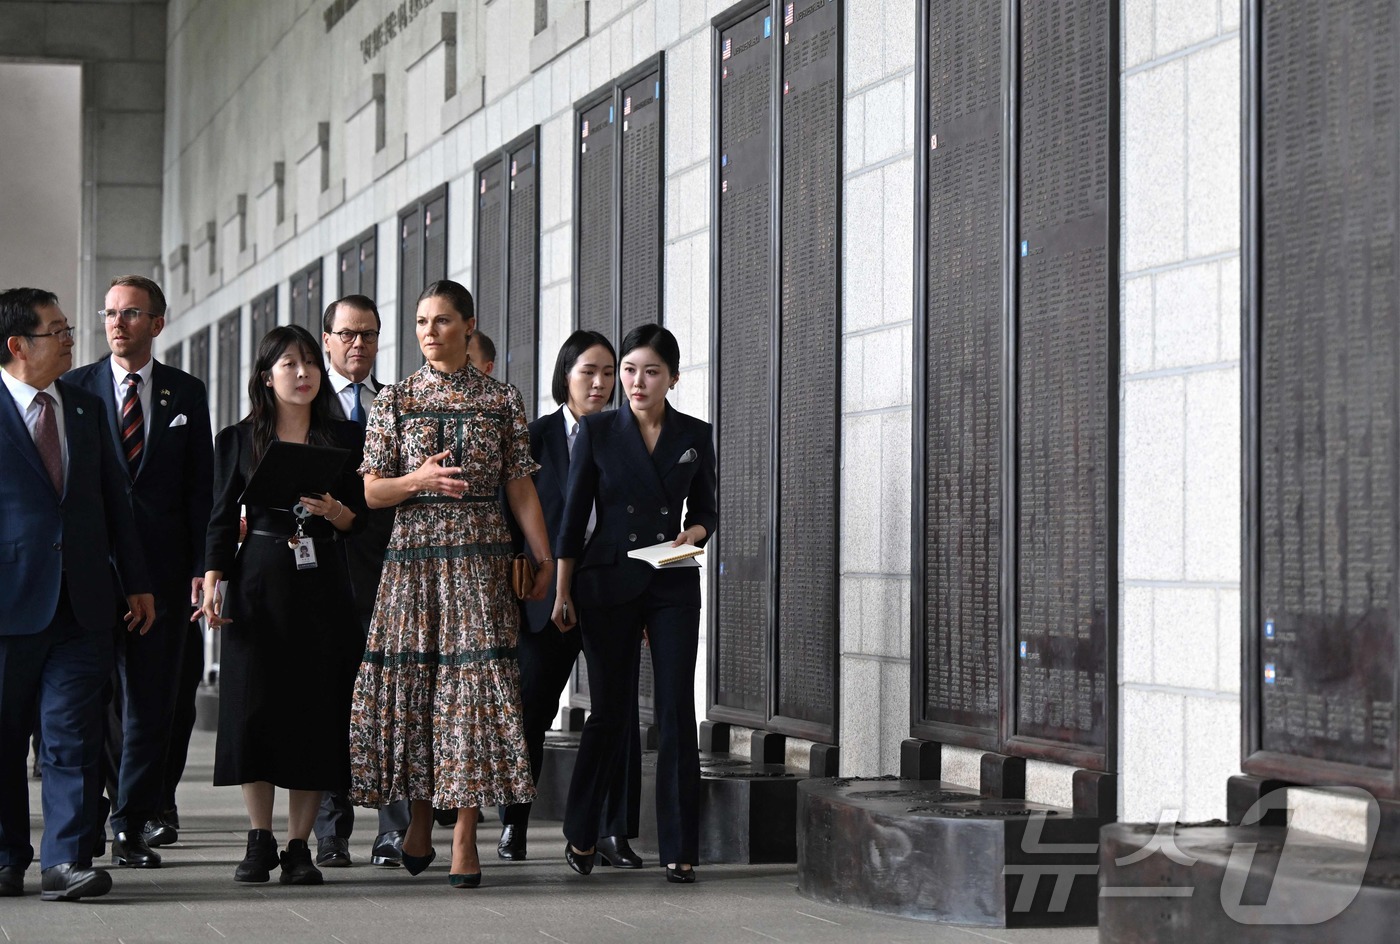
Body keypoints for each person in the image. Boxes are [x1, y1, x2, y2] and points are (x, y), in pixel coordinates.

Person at [348, 279, 553, 889]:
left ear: (468, 326)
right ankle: (417, 814)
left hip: (482, 563)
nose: (429, 334)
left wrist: (543, 558)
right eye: (419, 323)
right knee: (417, 685)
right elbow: (371, 490)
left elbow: (520, 485)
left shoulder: (501, 401)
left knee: (472, 691)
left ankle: (464, 831)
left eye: (440, 322)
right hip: (412, 563)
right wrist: (420, 481)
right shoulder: (396, 400)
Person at [194, 324, 367, 886]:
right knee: (254, 709)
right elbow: (220, 520)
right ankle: (259, 837)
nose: (302, 373)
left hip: (321, 588)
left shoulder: (344, 438)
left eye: (310, 363)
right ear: (266, 377)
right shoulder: (237, 439)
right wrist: (214, 579)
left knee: (315, 711)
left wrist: (336, 513)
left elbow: (361, 518)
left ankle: (299, 846)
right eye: (289, 364)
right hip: (257, 582)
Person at [0, 287, 155, 901]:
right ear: (17, 346)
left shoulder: (86, 407)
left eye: (68, 328)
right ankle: (7, 854)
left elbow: (115, 501)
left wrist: (136, 580)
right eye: (56, 331)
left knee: (72, 736)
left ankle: (63, 861)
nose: (70, 339)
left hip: (83, 600)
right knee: (5, 736)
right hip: (9, 601)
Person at [553, 323, 716, 885]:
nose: (635, 382)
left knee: (675, 711)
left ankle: (679, 847)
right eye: (629, 370)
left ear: (672, 378)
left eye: (650, 371)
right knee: (612, 712)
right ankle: (581, 828)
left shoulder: (695, 433)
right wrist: (561, 590)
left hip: (671, 577)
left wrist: (694, 532)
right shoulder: (598, 431)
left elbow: (707, 508)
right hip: (606, 578)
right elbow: (573, 521)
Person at [63, 275, 214, 869]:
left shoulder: (186, 393)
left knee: (153, 702)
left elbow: (200, 487)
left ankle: (132, 819)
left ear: (156, 322)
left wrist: (206, 566)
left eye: (130, 314)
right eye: (109, 313)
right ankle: (100, 808)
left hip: (167, 571)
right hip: (92, 572)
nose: (117, 324)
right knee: (91, 699)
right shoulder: (74, 388)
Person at [497, 331, 642, 866]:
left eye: (610, 372)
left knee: (617, 714)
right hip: (542, 603)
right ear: (565, 377)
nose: (603, 384)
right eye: (590, 372)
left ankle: (612, 832)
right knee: (530, 711)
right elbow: (510, 519)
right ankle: (515, 821)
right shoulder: (533, 440)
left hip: (611, 596)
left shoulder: (631, 439)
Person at [312, 294, 410, 869]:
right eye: (347, 334)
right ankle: (330, 828)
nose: (358, 345)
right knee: (332, 700)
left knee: (391, 697)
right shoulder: (304, 402)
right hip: (320, 568)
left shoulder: (394, 405)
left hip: (386, 567)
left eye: (369, 335)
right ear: (326, 340)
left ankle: (392, 831)